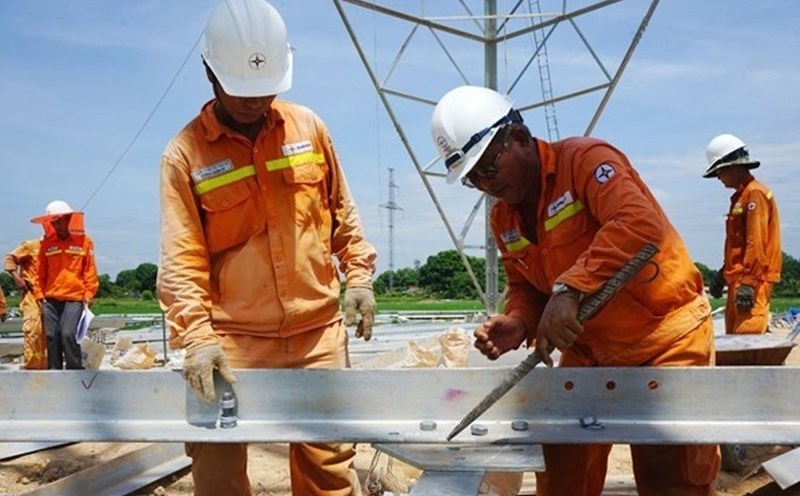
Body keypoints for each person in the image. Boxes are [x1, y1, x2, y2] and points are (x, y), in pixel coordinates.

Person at [430, 85, 720, 496]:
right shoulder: (503, 218)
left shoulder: (586, 161)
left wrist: (569, 289)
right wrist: (520, 320)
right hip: (589, 349)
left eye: (488, 167)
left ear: (518, 137)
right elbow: (524, 284)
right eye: (472, 179)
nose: (484, 184)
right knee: (562, 461)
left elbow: (638, 223)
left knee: (670, 472)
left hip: (663, 339)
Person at [156, 0, 377, 495]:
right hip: (232, 340)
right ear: (210, 72)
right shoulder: (185, 155)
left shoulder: (308, 129)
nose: (255, 101)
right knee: (217, 469)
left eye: (266, 88)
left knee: (329, 468)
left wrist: (359, 276)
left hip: (317, 334)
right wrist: (197, 338)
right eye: (242, 90)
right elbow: (181, 261)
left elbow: (342, 212)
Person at [703, 133, 781, 335]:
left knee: (748, 341)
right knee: (734, 339)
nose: (718, 177)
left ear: (734, 166)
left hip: (752, 283)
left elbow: (756, 242)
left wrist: (749, 283)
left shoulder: (755, 194)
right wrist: (723, 274)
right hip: (739, 281)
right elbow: (739, 244)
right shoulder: (741, 197)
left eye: (719, 171)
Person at [31, 200, 99, 370]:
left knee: (68, 334)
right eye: (54, 223)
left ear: (69, 220)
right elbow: (39, 272)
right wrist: (39, 294)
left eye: (60, 221)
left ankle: (74, 372)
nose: (58, 226)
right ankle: (55, 373)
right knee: (51, 335)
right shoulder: (47, 244)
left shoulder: (84, 242)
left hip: (74, 298)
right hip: (50, 299)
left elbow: (90, 270)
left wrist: (89, 294)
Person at [5, 238, 47, 369]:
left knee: (50, 333)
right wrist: (17, 278)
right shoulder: (31, 245)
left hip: (51, 295)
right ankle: (32, 366)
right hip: (32, 294)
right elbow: (10, 259)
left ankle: (47, 366)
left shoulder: (58, 247)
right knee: (33, 330)